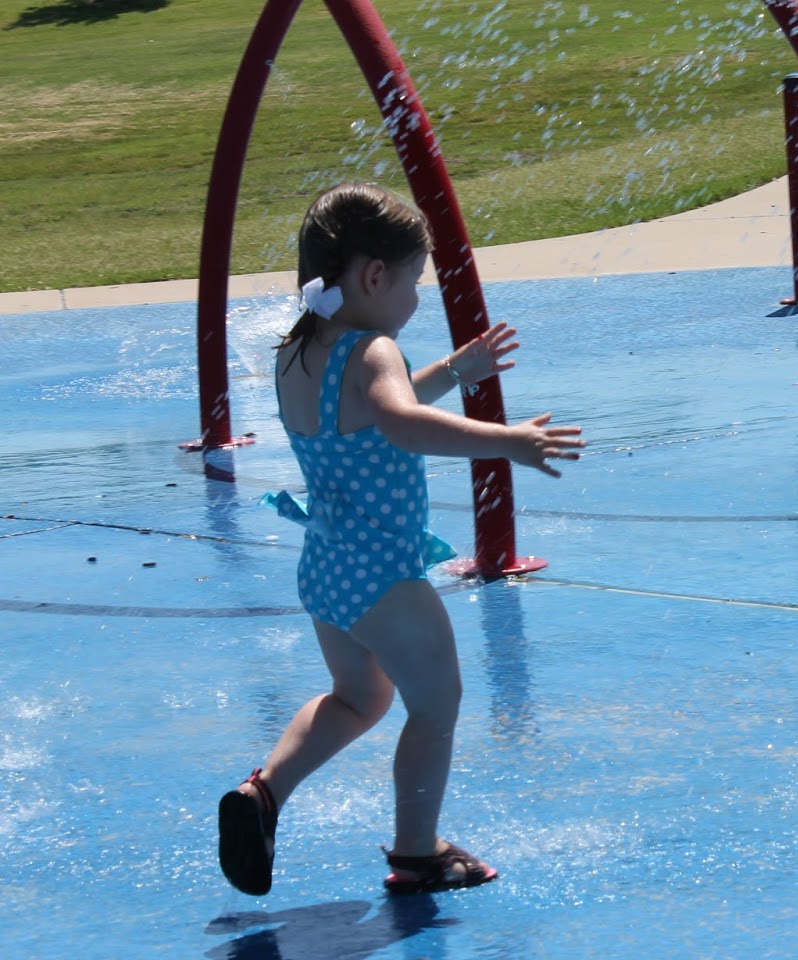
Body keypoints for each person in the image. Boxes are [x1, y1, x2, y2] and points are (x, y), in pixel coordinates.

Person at [217, 181, 583, 897]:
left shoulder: (298, 351)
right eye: (413, 283)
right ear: (373, 275)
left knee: (358, 698)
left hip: (326, 567)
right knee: (435, 705)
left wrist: (452, 369)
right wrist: (507, 441)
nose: (417, 301)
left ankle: (263, 793)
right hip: (385, 575)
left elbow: (368, 408)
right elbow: (398, 420)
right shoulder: (374, 348)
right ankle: (418, 851)